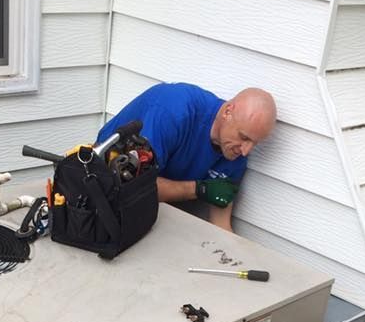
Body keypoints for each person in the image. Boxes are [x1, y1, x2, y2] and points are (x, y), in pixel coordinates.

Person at [96, 83, 276, 231]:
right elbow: (136, 186)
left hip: (160, 209)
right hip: (104, 183)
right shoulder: (175, 112)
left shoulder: (235, 151)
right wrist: (199, 189)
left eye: (254, 143)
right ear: (228, 112)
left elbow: (221, 223)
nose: (245, 151)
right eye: (244, 137)